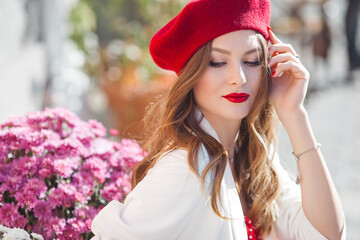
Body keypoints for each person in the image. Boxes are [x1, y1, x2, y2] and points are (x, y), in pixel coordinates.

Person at [91, 0, 346, 239]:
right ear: (192, 74)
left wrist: (294, 113)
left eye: (252, 60)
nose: (239, 77)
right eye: (217, 62)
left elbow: (325, 233)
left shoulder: (252, 154)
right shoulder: (187, 168)